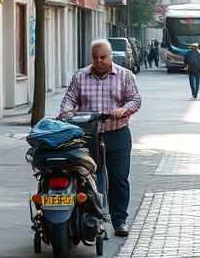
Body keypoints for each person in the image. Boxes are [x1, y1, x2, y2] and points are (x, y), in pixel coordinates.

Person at [59, 38, 142, 237]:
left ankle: (119, 220)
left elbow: (135, 99)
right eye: (95, 58)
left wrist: (122, 110)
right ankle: (89, 217)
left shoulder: (125, 76)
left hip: (117, 135)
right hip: (88, 135)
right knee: (84, 176)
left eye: (103, 57)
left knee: (118, 179)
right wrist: (66, 112)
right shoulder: (80, 76)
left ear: (110, 56)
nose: (99, 61)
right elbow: (69, 99)